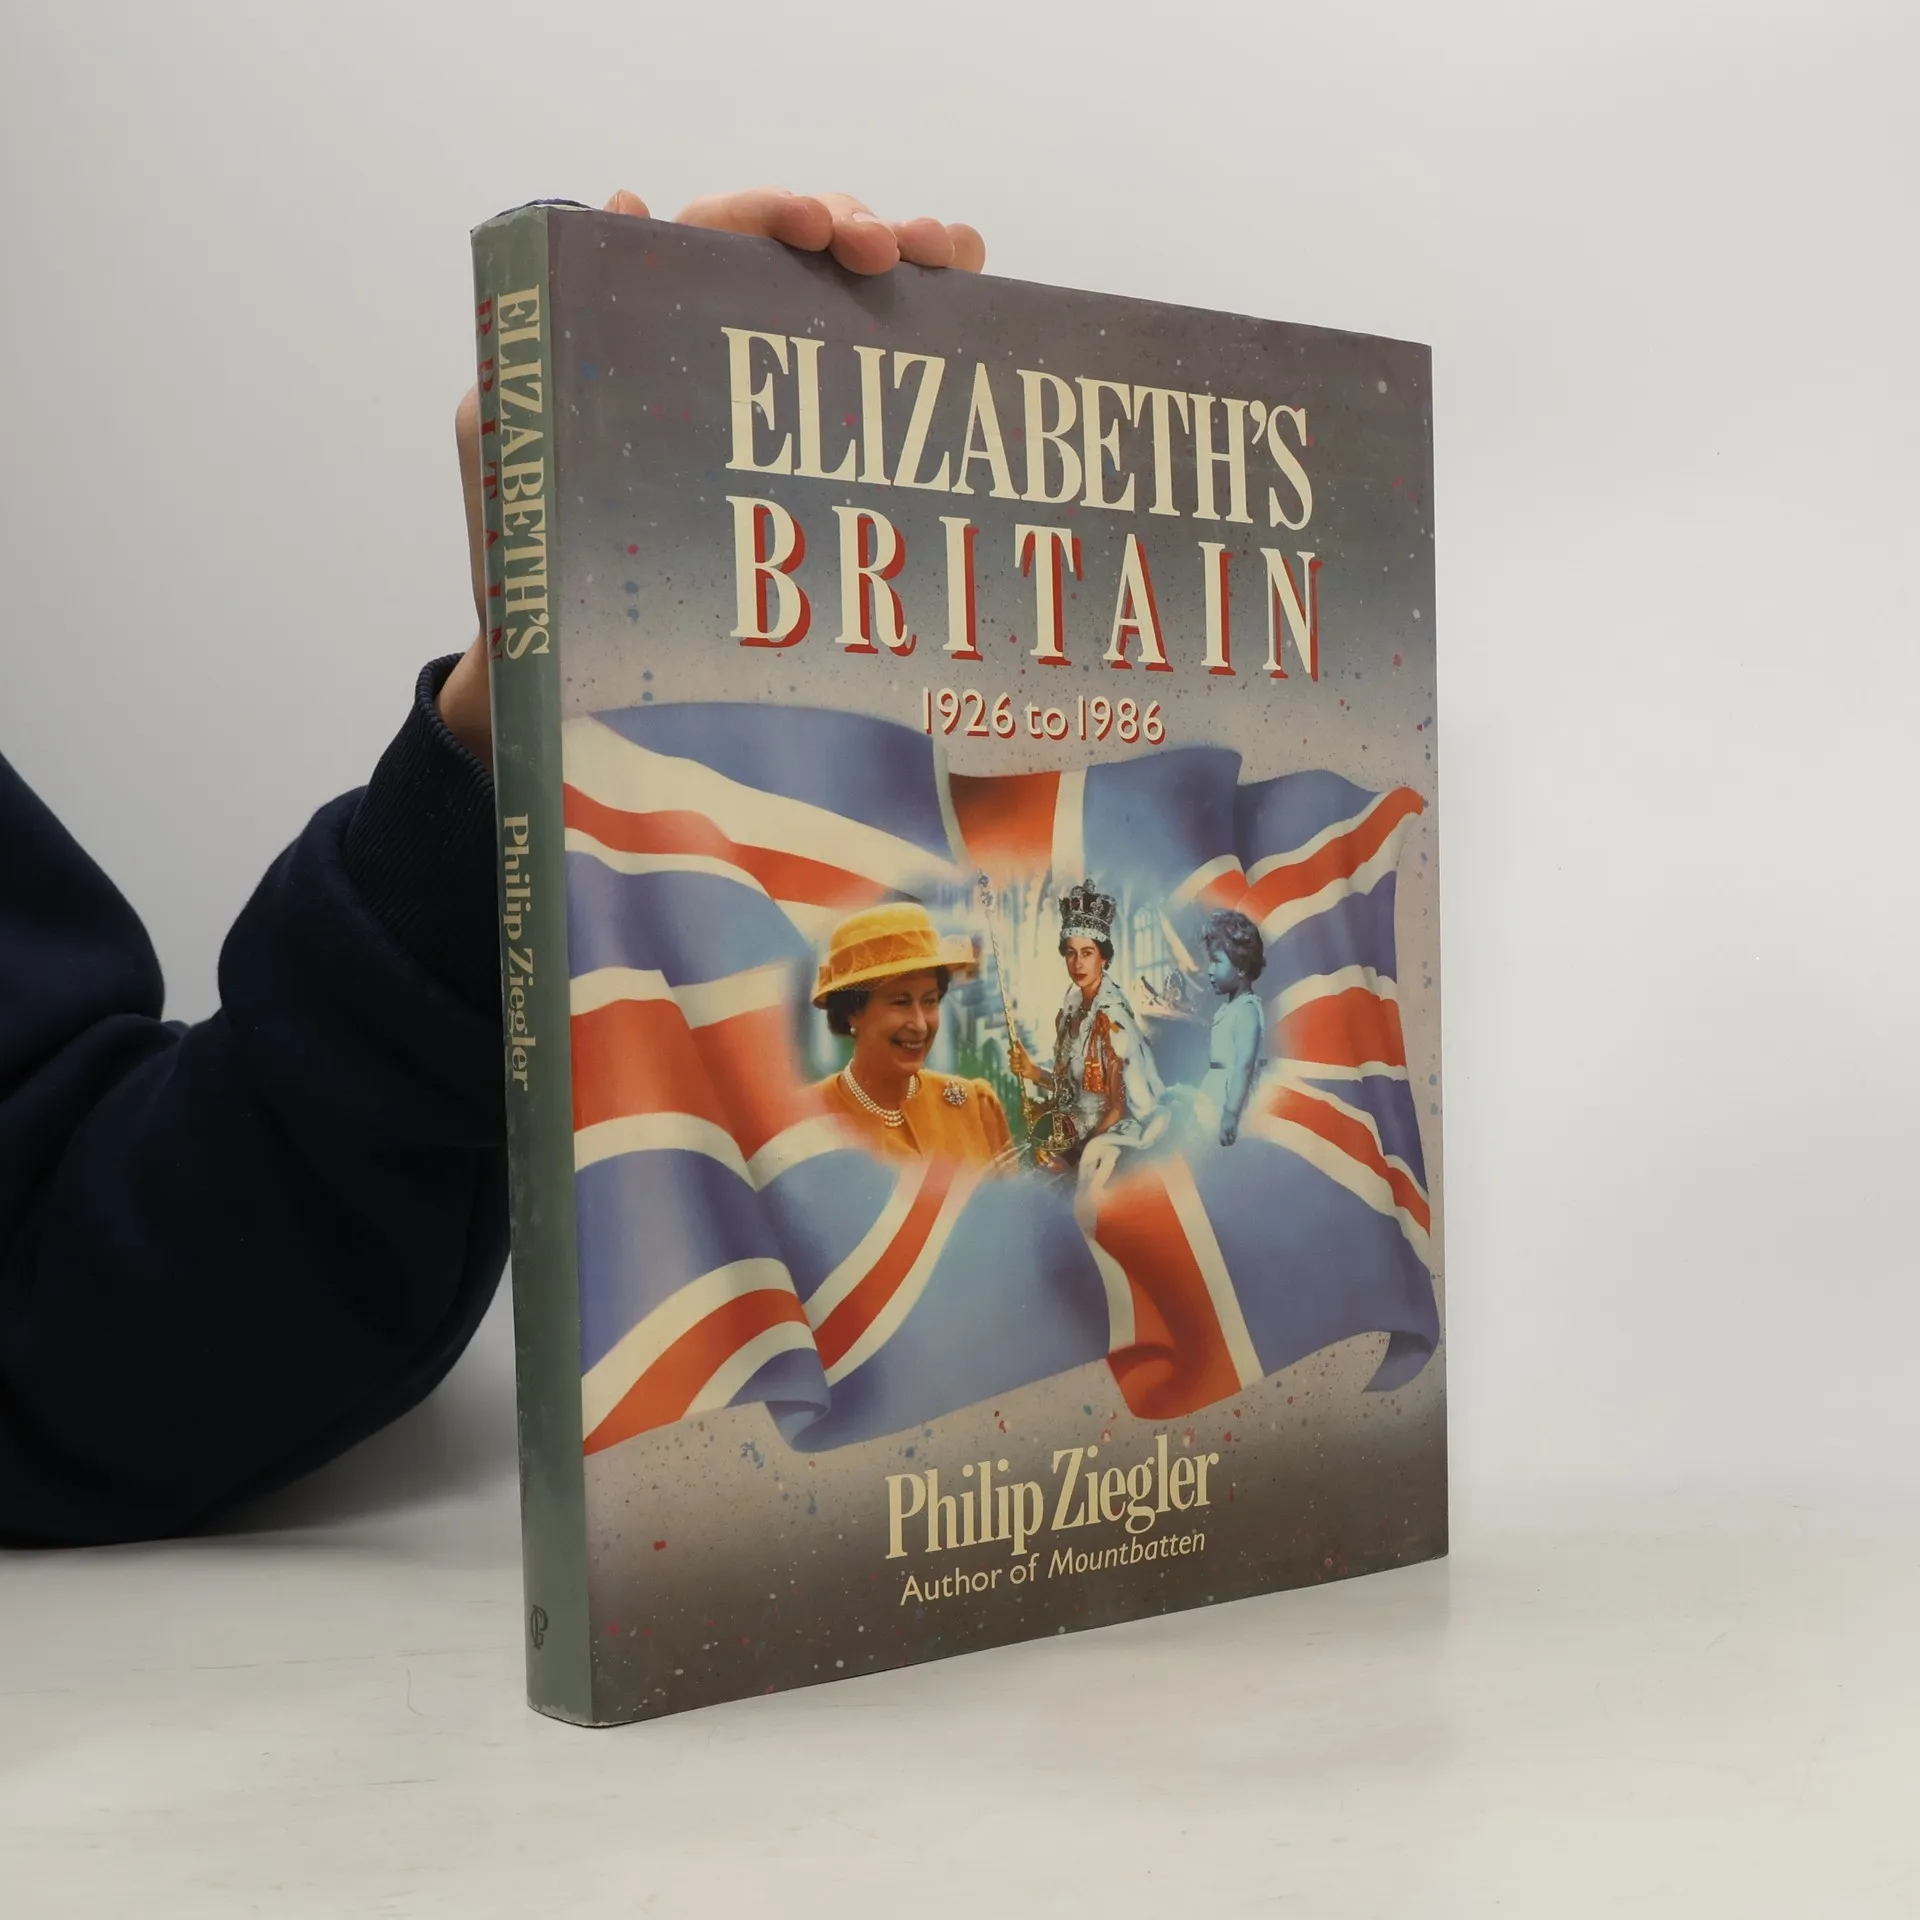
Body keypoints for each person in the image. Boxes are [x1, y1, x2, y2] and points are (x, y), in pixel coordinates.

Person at [0, 188, 987, 1549]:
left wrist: (505, 749)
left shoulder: (976, 1123)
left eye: (930, 997)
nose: (922, 1018)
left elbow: (71, 1316)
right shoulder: (796, 1139)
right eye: (900, 997)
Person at [811, 905, 1014, 1170]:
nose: (920, 1025)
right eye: (900, 1002)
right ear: (852, 1011)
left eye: (930, 1001)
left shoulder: (975, 1106)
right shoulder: (803, 1121)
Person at [1009, 879, 1163, 1219]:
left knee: (1043, 1193)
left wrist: (1073, 1156)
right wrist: (1033, 1072)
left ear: (1104, 958)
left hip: (1103, 1134)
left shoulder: (1112, 1021)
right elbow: (1071, 1086)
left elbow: (1117, 1109)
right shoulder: (1071, 1011)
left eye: (1087, 953)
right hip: (1070, 1125)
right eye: (1071, 952)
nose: (1077, 963)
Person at [1190, 908, 1268, 1148]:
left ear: (1241, 967)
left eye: (1217, 962)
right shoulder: (1229, 1008)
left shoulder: (1246, 1010)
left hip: (1230, 1098)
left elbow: (1244, 1066)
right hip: (1214, 1092)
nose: (1210, 970)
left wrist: (1231, 1113)